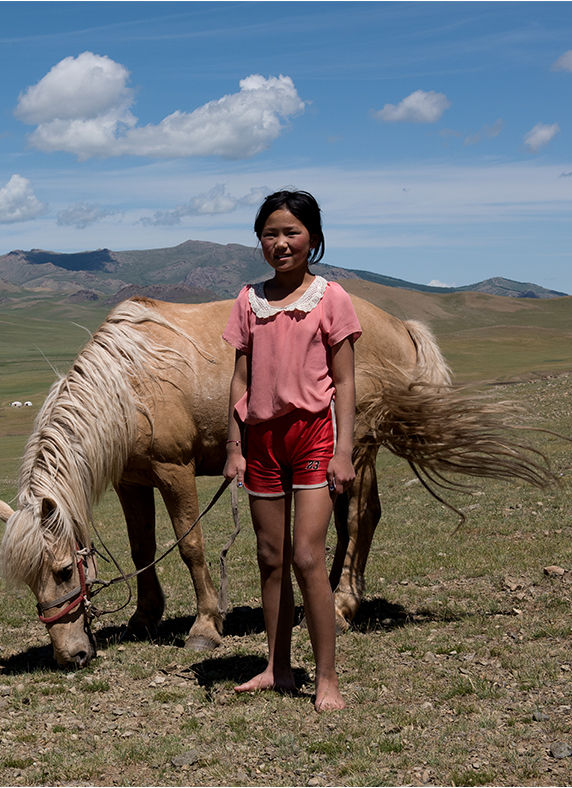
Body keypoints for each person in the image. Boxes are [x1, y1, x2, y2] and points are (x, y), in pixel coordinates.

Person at [222, 189, 360, 711]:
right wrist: (234, 446)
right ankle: (276, 668)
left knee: (306, 555)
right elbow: (238, 380)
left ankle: (326, 678)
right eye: (270, 234)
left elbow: (345, 383)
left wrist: (343, 451)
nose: (281, 243)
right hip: (260, 440)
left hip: (312, 437)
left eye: (292, 233)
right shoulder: (247, 300)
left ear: (314, 239)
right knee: (270, 557)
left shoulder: (331, 297)